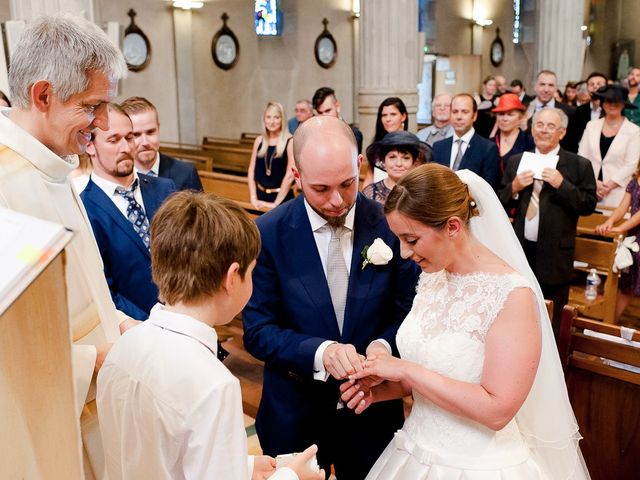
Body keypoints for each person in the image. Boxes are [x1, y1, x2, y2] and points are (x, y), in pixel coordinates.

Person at [340, 163, 589, 480]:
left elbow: (497, 410)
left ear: (453, 227)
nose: (403, 253)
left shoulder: (512, 295)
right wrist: (381, 388)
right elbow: (433, 370)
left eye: (412, 239)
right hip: (415, 449)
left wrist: (404, 369)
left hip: (479, 465)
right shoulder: (432, 278)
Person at [97, 191, 324, 480]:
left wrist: (240, 467)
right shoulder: (214, 384)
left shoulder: (125, 344)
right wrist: (291, 476)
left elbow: (159, 454)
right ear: (231, 278)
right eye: (251, 271)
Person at [242, 116, 421, 479]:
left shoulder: (391, 226)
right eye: (321, 188)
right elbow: (259, 330)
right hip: (294, 410)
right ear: (296, 174)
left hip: (372, 410)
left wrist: (383, 348)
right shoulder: (267, 233)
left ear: (360, 166)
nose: (337, 200)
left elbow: (410, 313)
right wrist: (323, 352)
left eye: (347, 184)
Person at [0, 14, 131, 478]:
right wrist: (91, 362)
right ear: (43, 95)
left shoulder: (53, 170)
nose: (100, 124)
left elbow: (82, 295)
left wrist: (122, 327)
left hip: (94, 413)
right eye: (91, 106)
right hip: (45, 435)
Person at [499, 108, 597, 334]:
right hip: (521, 249)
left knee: (552, 320)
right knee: (519, 311)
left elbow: (588, 205)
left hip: (555, 253)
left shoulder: (578, 164)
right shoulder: (516, 161)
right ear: (532, 129)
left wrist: (563, 184)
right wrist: (513, 188)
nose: (543, 130)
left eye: (550, 126)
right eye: (539, 125)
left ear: (561, 133)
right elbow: (499, 201)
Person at [81, 104, 176, 320]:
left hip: (188, 316)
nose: (125, 147)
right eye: (114, 140)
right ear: (89, 145)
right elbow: (104, 290)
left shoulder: (165, 188)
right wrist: (153, 324)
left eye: (129, 137)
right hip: (137, 329)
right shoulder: (85, 209)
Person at [120, 96, 203, 192]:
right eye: (136, 135)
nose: (145, 142)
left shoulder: (186, 174)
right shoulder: (117, 174)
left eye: (150, 132)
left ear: (158, 129)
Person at [578, 84, 640, 208]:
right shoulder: (591, 125)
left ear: (623, 104)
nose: (612, 104)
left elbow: (631, 165)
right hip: (589, 188)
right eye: (608, 101)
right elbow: (582, 157)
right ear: (602, 103)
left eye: (616, 101)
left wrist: (609, 186)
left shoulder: (634, 131)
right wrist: (593, 183)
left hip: (617, 193)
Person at [595, 166, 640, 321]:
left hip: (635, 231)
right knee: (626, 284)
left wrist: (620, 228)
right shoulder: (634, 181)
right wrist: (610, 221)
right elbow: (622, 208)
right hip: (635, 236)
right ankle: (609, 323)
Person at [432, 94, 501, 190]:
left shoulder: (487, 148)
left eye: (465, 112)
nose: (459, 117)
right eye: (455, 112)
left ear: (475, 115)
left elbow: (488, 188)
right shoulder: (439, 147)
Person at [248, 101, 295, 210]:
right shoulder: (259, 141)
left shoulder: (290, 141)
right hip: (259, 197)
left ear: (282, 119)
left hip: (282, 199)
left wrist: (275, 204)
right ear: (264, 119)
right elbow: (251, 170)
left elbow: (290, 175)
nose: (272, 122)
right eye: (268, 117)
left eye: (276, 117)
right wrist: (253, 197)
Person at [362, 131, 430, 204]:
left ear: (414, 162)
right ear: (383, 161)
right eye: (392, 157)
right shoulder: (370, 193)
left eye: (406, 158)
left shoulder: (423, 193)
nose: (399, 163)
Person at [365, 97, 410, 186]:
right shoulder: (376, 148)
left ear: (403, 116)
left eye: (393, 114)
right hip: (376, 198)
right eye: (384, 115)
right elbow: (368, 180)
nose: (388, 119)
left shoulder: (413, 146)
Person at [526, 70, 575, 150]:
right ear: (535, 86)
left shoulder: (569, 112)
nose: (546, 89)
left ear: (556, 88)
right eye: (542, 84)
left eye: (551, 85)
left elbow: (571, 144)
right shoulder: (524, 108)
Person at [490, 93, 535, 173]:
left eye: (510, 115)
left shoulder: (529, 143)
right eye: (501, 114)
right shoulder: (490, 143)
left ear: (520, 118)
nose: (505, 118)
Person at [311, 86, 363, 154]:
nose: (324, 116)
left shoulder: (353, 133)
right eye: (320, 112)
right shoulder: (313, 134)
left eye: (328, 110)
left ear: (337, 106)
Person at [565, 72, 608, 153]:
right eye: (591, 84)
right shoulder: (579, 111)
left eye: (599, 84)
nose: (595, 86)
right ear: (587, 88)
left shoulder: (610, 111)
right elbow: (572, 139)